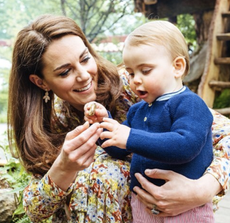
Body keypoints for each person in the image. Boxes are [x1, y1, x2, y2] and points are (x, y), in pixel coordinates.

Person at [7, 14, 230, 223]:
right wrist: (63, 169)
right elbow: (35, 210)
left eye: (85, 59)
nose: (84, 75)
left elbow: (222, 132)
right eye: (65, 72)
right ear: (41, 82)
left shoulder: (137, 84)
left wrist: (203, 189)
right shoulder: (48, 124)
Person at [84, 20, 215, 222]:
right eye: (131, 72)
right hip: (144, 204)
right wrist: (103, 124)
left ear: (177, 67)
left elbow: (185, 146)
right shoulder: (137, 111)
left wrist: (129, 137)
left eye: (145, 70)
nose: (135, 79)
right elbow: (119, 148)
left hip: (185, 207)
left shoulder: (190, 104)